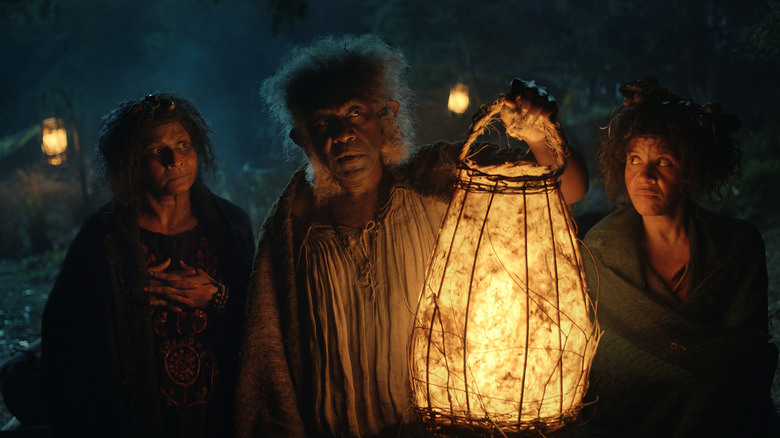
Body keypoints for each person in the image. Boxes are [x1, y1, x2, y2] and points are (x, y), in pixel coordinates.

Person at [235, 34, 588, 437]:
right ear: (303, 137)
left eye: (356, 114)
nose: (343, 133)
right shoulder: (291, 227)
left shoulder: (435, 178)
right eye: (323, 123)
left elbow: (570, 188)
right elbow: (268, 361)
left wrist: (539, 132)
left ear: (386, 118)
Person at [40, 93, 255, 438]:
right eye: (157, 151)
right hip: (129, 419)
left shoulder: (230, 226)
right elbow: (64, 336)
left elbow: (261, 320)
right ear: (131, 162)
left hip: (219, 415)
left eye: (183, 144)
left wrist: (217, 296)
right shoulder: (104, 236)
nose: (175, 159)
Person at [580, 76, 777, 437]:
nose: (644, 175)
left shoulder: (738, 245)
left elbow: (746, 352)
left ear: (691, 171)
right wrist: (698, 373)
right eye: (634, 158)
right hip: (628, 414)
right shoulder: (602, 248)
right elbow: (606, 354)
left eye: (664, 161)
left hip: (721, 413)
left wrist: (697, 374)